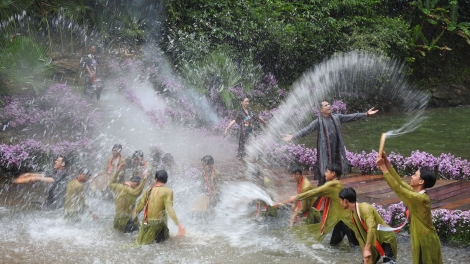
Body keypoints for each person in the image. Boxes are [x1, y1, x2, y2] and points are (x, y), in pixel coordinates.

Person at [282, 101, 378, 185]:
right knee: (324, 174)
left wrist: (366, 114)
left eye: (329, 104)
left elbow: (351, 117)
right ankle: (321, 192)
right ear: (321, 110)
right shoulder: (318, 122)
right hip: (325, 154)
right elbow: (307, 130)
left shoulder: (337, 118)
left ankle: (334, 189)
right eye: (325, 105)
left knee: (337, 171)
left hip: (336, 150)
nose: (329, 106)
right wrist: (293, 136)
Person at [376, 152, 442, 264]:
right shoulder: (415, 192)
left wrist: (383, 168)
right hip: (421, 237)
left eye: (415, 175)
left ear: (421, 181)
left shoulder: (422, 198)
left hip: (426, 240)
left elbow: (398, 188)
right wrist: (386, 162)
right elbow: (399, 182)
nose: (412, 176)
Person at [274, 163, 359, 247]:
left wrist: (297, 197)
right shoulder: (335, 183)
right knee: (334, 245)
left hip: (347, 221)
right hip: (340, 220)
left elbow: (315, 192)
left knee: (355, 247)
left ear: (333, 174)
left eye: (327, 171)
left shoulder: (333, 184)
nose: (325, 173)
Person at [339, 187, 397, 264]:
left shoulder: (364, 208)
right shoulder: (352, 213)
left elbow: (371, 228)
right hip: (373, 242)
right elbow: (359, 236)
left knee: (389, 263)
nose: (339, 203)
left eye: (340, 200)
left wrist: (367, 248)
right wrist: (365, 254)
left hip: (386, 239)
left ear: (345, 201)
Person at [132, 170, 185, 245]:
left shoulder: (148, 190)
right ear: (166, 180)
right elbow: (169, 208)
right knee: (163, 246)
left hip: (146, 223)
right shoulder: (168, 191)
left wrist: (133, 216)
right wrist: (178, 224)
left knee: (145, 245)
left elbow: (140, 206)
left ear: (155, 179)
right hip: (159, 225)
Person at [109, 164, 148, 232]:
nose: (136, 188)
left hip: (117, 219)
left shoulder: (118, 186)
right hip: (126, 221)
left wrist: (117, 171)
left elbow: (111, 183)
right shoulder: (129, 190)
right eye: (137, 186)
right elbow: (136, 192)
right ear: (136, 184)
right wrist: (144, 179)